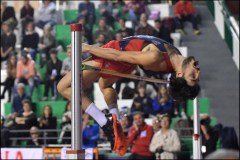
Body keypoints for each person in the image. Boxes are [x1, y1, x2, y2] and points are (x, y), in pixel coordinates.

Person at [57, 35, 201, 156]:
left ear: (180, 74)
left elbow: (118, 55)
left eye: (193, 77)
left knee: (64, 87)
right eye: (196, 75)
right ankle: (115, 121)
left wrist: (87, 48)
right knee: (105, 86)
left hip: (114, 56)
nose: (198, 72)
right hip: (124, 58)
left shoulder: (155, 57)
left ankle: (104, 122)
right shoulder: (175, 56)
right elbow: (174, 80)